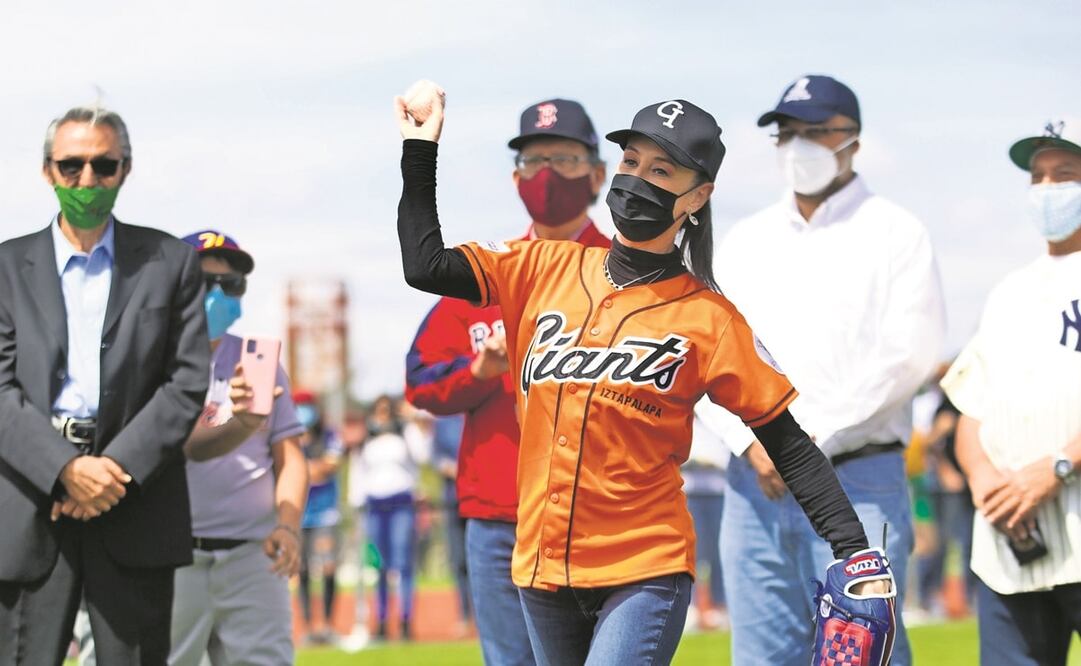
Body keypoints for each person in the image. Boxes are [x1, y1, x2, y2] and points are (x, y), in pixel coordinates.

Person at [393, 81, 892, 665]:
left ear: (696, 196)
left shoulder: (709, 318)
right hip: (541, 564)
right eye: (631, 160)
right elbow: (424, 266)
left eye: (662, 170)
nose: (637, 179)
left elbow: (786, 440)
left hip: (644, 565)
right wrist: (419, 148)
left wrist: (853, 550)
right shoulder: (539, 266)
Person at [695, 74, 945, 665]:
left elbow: (908, 354)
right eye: (787, 133)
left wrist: (798, 444)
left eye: (815, 131)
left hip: (857, 479)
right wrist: (751, 440)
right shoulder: (746, 239)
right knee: (760, 655)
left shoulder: (896, 233)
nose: (798, 144)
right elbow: (705, 351)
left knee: (865, 653)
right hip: (751, 483)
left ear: (852, 139)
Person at [403, 96, 609, 665]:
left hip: (597, 516)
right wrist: (479, 372)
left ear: (598, 174)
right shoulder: (487, 270)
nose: (546, 174)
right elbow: (419, 382)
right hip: (498, 519)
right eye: (533, 159)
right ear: (515, 176)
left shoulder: (625, 272)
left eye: (564, 158)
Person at [0, 104, 209, 664]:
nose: (87, 180)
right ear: (47, 170)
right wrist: (64, 471)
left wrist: (109, 473)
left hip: (133, 500)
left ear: (125, 169)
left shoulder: (171, 262)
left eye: (103, 165)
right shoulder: (4, 267)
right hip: (29, 504)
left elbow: (186, 381)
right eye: (71, 166)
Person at [941, 118, 1081, 665]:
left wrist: (1058, 467)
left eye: (1065, 174)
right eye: (1037, 177)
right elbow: (970, 413)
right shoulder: (1009, 290)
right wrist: (983, 480)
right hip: (1010, 545)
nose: (1047, 189)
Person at [165, 229, 310, 665]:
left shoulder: (258, 359)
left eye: (231, 285)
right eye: (204, 282)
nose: (218, 295)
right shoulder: (152, 359)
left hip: (254, 555)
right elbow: (189, 446)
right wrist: (243, 420)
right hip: (174, 557)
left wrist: (287, 525)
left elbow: (290, 456)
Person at [351, 395, 430, 640]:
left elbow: (423, 455)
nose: (382, 415)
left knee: (403, 563)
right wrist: (356, 504)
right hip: (376, 506)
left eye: (387, 410)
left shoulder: (404, 433)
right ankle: (383, 620)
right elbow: (358, 472)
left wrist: (411, 422)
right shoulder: (367, 439)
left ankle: (406, 620)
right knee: (380, 565)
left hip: (401, 504)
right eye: (379, 411)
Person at [295, 391, 345, 644]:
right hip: (298, 515)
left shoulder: (329, 435)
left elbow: (331, 465)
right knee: (300, 570)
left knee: (327, 567)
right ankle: (307, 627)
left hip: (326, 514)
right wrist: (312, 469)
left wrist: (303, 470)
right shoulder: (290, 438)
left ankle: (326, 625)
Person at [682, 413, 730, 632]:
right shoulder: (685, 417)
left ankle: (721, 606)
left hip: (719, 491)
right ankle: (690, 606)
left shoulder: (720, 420)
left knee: (720, 553)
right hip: (690, 492)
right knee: (692, 553)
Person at [431, 413, 474, 637]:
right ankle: (464, 615)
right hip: (452, 500)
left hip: (479, 499)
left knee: (481, 562)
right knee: (459, 561)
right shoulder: (443, 421)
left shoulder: (478, 413)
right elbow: (436, 458)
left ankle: (481, 617)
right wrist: (454, 469)